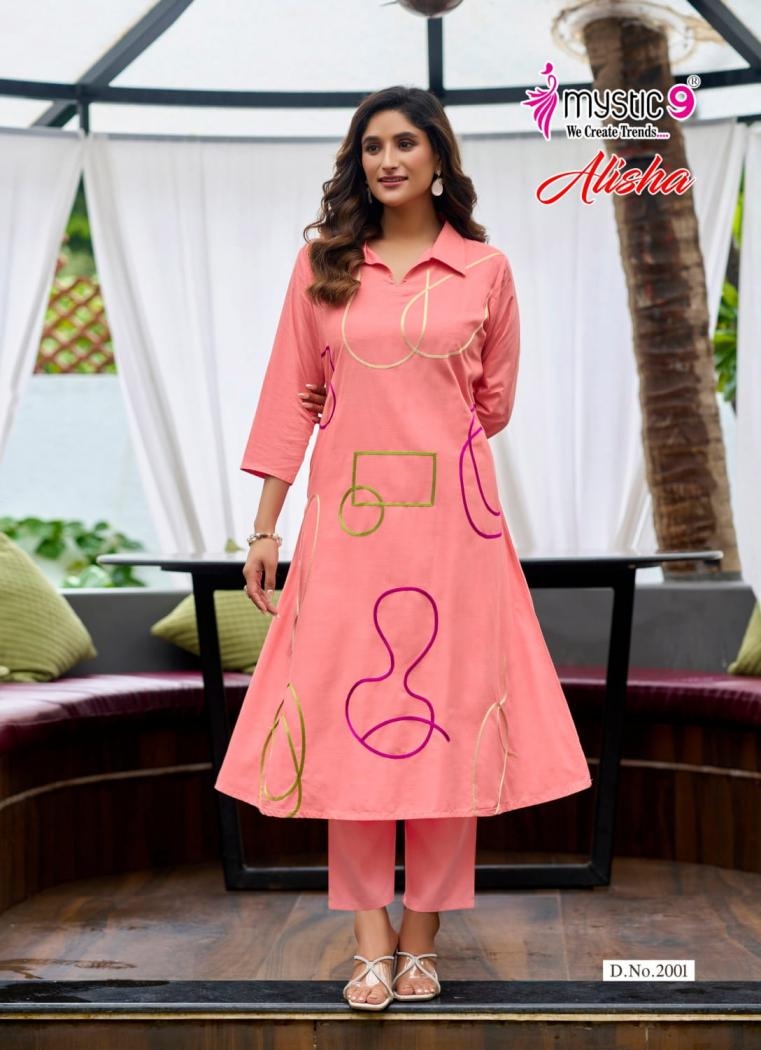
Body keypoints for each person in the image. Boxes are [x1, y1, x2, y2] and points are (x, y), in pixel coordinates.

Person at [214, 85, 592, 1011]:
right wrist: (264, 528)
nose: (387, 160)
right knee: (346, 729)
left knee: (448, 727)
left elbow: (490, 405)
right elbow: (291, 398)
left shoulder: (485, 270)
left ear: (437, 158)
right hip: (345, 536)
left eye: (404, 144)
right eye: (371, 146)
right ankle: (368, 941)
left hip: (456, 535)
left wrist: (419, 441)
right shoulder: (324, 266)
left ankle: (421, 940)